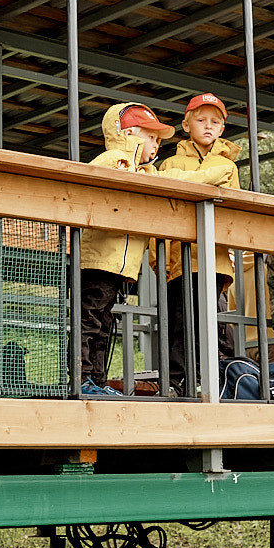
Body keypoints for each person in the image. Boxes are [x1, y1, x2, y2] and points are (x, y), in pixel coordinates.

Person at [77, 103, 168, 395]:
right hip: (98, 261)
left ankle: (97, 381)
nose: (156, 145)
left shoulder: (144, 172)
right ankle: (81, 380)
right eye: (151, 137)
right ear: (129, 134)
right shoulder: (114, 159)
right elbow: (92, 180)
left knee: (104, 325)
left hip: (120, 266)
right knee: (89, 321)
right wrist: (125, 168)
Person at [154, 93, 241, 391]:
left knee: (213, 322)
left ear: (222, 129)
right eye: (201, 120)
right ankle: (178, 382)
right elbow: (158, 215)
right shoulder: (170, 163)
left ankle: (215, 380)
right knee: (179, 322)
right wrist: (159, 261)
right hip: (179, 260)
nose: (208, 126)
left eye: (215, 122)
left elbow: (234, 209)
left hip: (214, 259)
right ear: (186, 124)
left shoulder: (230, 165)